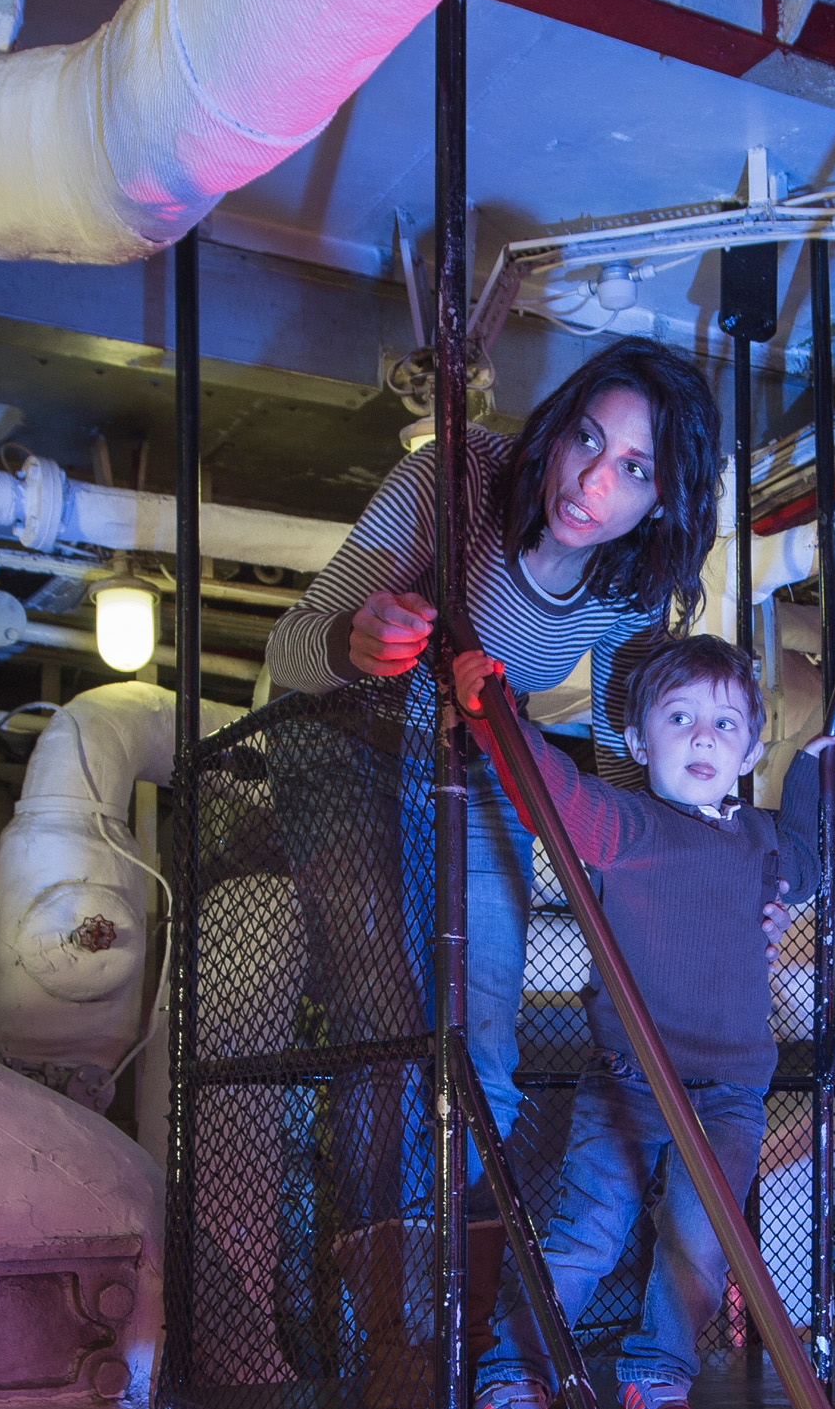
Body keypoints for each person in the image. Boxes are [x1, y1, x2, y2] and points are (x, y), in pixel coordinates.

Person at [262, 338, 728, 1182]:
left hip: (478, 760)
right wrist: (356, 637)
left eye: (634, 469)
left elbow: (632, 763)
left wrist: (692, 869)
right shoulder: (453, 481)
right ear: (555, 426)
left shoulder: (631, 583)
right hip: (342, 743)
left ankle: (441, 1263)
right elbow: (290, 648)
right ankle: (375, 1288)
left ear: (663, 501)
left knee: (482, 1056)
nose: (591, 484)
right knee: (389, 1023)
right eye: (587, 439)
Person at [445, 634, 833, 1409]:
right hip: (630, 1081)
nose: (702, 738)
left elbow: (806, 864)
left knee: (701, 1243)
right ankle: (511, 1376)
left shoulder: (757, 840)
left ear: (750, 749)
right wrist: (496, 715)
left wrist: (813, 772)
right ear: (637, 742)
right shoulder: (626, 825)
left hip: (731, 1090)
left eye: (725, 724)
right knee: (587, 1234)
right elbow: (549, 787)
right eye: (681, 718)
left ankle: (657, 1375)